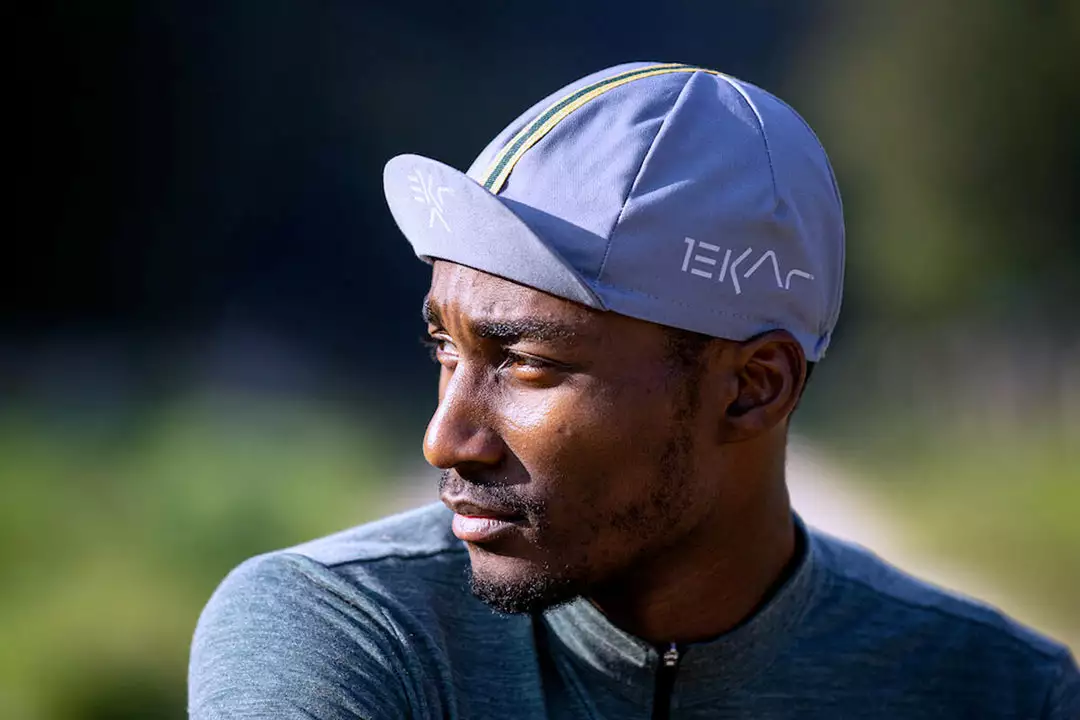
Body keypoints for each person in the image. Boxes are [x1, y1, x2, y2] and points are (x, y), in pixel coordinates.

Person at [188, 62, 1079, 719]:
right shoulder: (343, 632)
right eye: (446, 349)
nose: (446, 439)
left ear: (754, 389)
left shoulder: (1003, 693)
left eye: (525, 362)